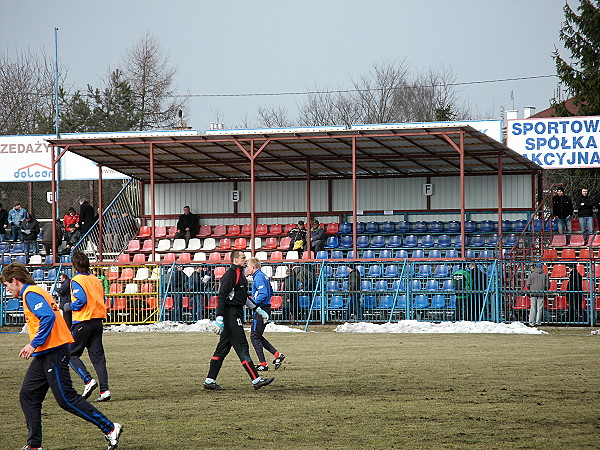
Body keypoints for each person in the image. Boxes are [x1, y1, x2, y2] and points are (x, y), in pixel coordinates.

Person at [1, 262, 122, 450]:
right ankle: (34, 445)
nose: (7, 290)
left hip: (54, 351)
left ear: (14, 281)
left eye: (7, 285)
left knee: (66, 399)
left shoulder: (30, 294)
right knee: (28, 394)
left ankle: (109, 427)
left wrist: (33, 344)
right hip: (46, 352)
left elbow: (48, 317)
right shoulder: (33, 292)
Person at [203, 250, 274, 391]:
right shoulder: (231, 275)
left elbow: (243, 298)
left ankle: (209, 380)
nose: (245, 260)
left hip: (235, 314)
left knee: (222, 350)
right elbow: (222, 296)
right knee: (242, 346)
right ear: (235, 260)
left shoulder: (240, 275)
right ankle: (256, 380)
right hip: (231, 315)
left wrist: (257, 309)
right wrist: (220, 318)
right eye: (243, 258)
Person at [63, 252, 112, 403]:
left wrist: (68, 306)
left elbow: (81, 300)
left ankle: (87, 380)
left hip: (83, 321)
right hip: (97, 321)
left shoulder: (77, 280)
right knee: (98, 358)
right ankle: (105, 390)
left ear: (74, 265)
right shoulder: (96, 280)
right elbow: (102, 298)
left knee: (70, 354)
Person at [246, 257, 285, 372]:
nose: (247, 269)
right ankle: (277, 355)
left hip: (261, 309)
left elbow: (263, 294)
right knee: (257, 335)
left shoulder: (258, 277)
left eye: (248, 266)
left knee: (254, 336)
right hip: (266, 307)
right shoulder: (262, 276)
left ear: (253, 267)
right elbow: (270, 292)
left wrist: (253, 304)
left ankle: (263, 364)